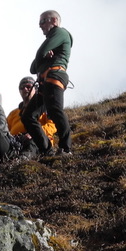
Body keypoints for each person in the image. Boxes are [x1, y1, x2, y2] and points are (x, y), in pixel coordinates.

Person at [23, 9, 73, 156]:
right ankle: (46, 150)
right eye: (39, 22)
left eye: (43, 21)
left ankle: (65, 148)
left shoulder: (60, 32)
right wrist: (45, 58)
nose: (40, 25)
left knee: (54, 110)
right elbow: (33, 68)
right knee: (28, 116)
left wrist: (44, 56)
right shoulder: (52, 40)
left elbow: (40, 52)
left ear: (54, 21)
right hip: (45, 82)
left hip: (55, 76)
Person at [7, 76, 57, 157]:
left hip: (37, 139)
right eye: (22, 87)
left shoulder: (44, 108)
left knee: (32, 142)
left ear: (36, 89)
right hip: (16, 141)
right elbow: (6, 129)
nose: (25, 89)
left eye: (29, 86)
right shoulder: (13, 113)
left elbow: (53, 125)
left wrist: (35, 132)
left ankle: (24, 159)